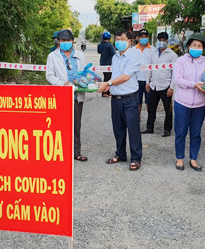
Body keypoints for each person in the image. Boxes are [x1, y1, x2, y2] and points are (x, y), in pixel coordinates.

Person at [97, 30, 143, 171]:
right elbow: (115, 75)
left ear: (129, 41)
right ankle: (120, 154)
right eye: (117, 39)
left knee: (133, 129)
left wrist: (108, 83)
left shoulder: (135, 55)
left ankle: (136, 158)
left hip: (130, 98)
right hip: (116, 99)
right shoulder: (115, 56)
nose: (119, 41)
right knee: (118, 129)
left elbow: (125, 77)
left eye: (122, 38)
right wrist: (107, 87)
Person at [46, 29, 88, 162]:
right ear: (58, 41)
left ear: (73, 41)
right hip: (61, 95)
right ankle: (59, 152)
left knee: (76, 125)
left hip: (77, 96)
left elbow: (86, 72)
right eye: (63, 41)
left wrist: (85, 80)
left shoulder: (80, 55)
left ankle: (76, 152)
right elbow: (49, 75)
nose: (65, 43)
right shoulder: (53, 56)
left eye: (68, 41)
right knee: (59, 125)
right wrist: (63, 84)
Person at [172, 33, 205, 171]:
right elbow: (177, 79)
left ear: (203, 48)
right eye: (194, 45)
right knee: (181, 131)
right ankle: (180, 158)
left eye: (199, 46)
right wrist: (193, 84)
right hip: (182, 102)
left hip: (200, 104)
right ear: (188, 46)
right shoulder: (181, 61)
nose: (196, 48)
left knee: (196, 133)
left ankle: (193, 159)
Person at [142, 32, 178, 137]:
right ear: (157, 40)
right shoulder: (153, 54)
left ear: (167, 41)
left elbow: (174, 73)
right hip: (154, 85)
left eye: (164, 40)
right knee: (151, 107)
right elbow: (150, 68)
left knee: (168, 110)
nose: (162, 42)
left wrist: (171, 88)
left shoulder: (172, 55)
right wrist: (147, 82)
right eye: (160, 40)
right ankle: (149, 127)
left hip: (165, 86)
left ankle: (167, 129)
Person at [134, 29, 156, 119]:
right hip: (136, 80)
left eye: (146, 37)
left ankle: (150, 121)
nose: (144, 38)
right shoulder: (133, 50)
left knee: (149, 102)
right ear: (138, 38)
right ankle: (137, 119)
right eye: (142, 37)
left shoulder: (153, 50)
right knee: (137, 102)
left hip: (149, 81)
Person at [97, 31, 115, 97]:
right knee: (107, 78)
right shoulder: (110, 45)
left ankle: (107, 91)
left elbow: (99, 52)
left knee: (106, 77)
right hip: (108, 64)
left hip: (102, 63)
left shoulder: (99, 45)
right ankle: (104, 92)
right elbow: (114, 54)